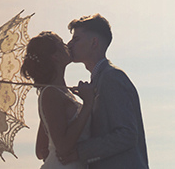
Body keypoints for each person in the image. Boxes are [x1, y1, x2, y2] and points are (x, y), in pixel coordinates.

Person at [59, 14, 150, 169]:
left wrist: (80, 152)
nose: (69, 44)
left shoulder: (111, 78)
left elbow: (126, 135)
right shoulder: (100, 80)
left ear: (94, 42)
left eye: (77, 39)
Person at [21, 31, 94, 168]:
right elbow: (63, 147)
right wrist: (88, 104)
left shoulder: (61, 92)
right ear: (55, 56)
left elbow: (41, 149)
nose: (68, 45)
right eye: (62, 44)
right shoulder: (50, 94)